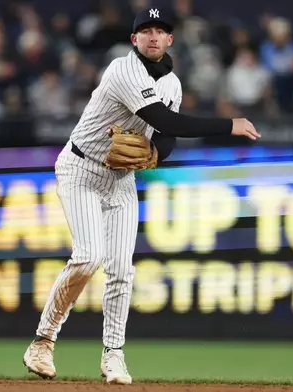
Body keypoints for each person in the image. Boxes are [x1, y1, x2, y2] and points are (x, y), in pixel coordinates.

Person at [22, 8, 260, 385]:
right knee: (88, 258)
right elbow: (166, 121)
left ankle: (113, 355)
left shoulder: (174, 85)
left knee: (121, 269)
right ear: (134, 40)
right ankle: (42, 340)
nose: (153, 36)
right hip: (81, 168)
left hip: (121, 179)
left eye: (160, 30)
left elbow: (165, 137)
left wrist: (155, 155)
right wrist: (229, 124)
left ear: (170, 40)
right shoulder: (122, 70)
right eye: (145, 30)